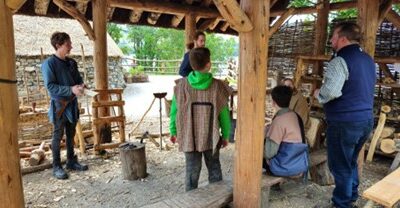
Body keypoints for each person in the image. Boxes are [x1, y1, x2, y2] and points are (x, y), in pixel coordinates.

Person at [313, 22, 375, 208]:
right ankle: (351, 197)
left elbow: (331, 91)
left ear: (343, 38)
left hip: (344, 122)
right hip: (365, 120)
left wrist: (318, 94)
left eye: (333, 36)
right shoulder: (368, 59)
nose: (331, 39)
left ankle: (341, 204)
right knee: (350, 162)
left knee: (340, 166)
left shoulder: (339, 60)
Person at [169, 47, 232, 191]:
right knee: (214, 170)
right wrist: (226, 135)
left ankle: (191, 203)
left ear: (192, 65)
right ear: (208, 64)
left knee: (191, 172)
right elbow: (224, 115)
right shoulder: (218, 87)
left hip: (189, 136)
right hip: (212, 137)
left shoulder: (181, 87)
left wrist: (173, 131)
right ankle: (218, 201)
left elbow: (174, 112)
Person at [42, 32, 88, 180]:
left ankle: (71, 161)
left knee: (71, 134)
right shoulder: (49, 64)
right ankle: (56, 166)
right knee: (57, 135)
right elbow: (51, 87)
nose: (71, 47)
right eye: (68, 44)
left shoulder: (72, 63)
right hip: (59, 105)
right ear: (58, 45)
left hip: (72, 103)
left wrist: (81, 86)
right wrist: (70, 89)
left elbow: (78, 79)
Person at [263, 86, 308, 177]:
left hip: (284, 167)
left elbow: (269, 153)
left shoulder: (278, 121)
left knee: (256, 157)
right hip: (299, 163)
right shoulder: (295, 115)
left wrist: (265, 135)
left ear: (273, 102)